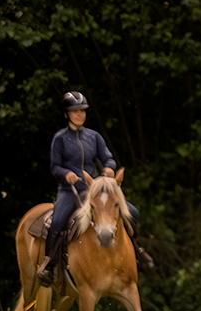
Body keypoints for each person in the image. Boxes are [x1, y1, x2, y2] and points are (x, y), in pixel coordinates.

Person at [38, 92, 149, 284]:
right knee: (57, 221)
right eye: (75, 111)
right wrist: (66, 173)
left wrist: (109, 167)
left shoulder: (94, 136)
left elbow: (108, 158)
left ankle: (137, 252)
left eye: (82, 111)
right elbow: (55, 167)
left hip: (94, 191)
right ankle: (49, 265)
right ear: (66, 114)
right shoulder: (60, 139)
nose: (79, 114)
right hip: (69, 190)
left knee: (132, 212)